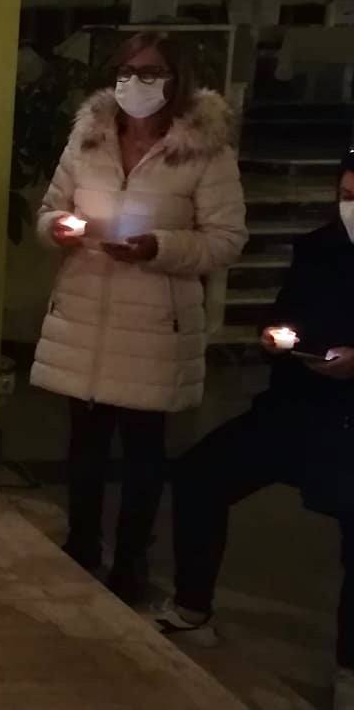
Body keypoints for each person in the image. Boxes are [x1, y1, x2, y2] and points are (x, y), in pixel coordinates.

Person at [31, 31, 247, 604]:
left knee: (143, 454)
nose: (135, 84)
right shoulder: (89, 139)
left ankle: (131, 561)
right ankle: (81, 544)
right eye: (126, 72)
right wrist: (58, 229)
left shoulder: (204, 152)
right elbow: (51, 208)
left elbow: (225, 239)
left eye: (149, 73)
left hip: (154, 325)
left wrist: (160, 247)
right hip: (86, 312)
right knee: (84, 448)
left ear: (176, 80)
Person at [157, 150, 354, 710]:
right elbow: (286, 312)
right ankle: (192, 608)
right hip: (295, 406)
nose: (351, 206)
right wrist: (278, 337)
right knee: (199, 475)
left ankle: (350, 666)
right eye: (346, 195)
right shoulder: (319, 247)